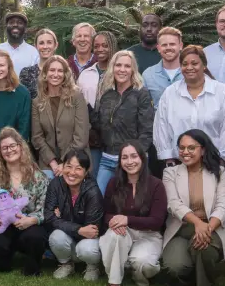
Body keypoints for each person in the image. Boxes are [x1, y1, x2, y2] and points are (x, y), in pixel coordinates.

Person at [152, 45, 225, 258]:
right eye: (185, 64)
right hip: (180, 161)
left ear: (204, 65)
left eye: (195, 63)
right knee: (179, 206)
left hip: (215, 162)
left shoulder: (221, 92)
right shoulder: (171, 93)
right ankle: (178, 247)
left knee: (223, 205)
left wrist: (220, 159)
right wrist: (169, 159)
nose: (189, 67)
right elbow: (162, 126)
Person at [162, 130, 225, 286]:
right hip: (181, 228)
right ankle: (191, 276)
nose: (185, 152)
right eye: (181, 148)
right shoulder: (170, 173)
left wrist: (206, 228)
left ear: (202, 150)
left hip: (212, 226)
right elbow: (174, 204)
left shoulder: (219, 172)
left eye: (191, 148)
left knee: (203, 247)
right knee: (174, 267)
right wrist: (197, 223)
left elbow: (224, 205)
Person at [0, 128, 50, 275]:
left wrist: (32, 220)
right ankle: (4, 261)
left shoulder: (38, 177)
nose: (9, 150)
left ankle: (32, 267)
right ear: (0, 152)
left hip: (28, 225)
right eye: (4, 148)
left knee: (35, 237)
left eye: (12, 146)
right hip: (3, 227)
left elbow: (45, 208)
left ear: (20, 146)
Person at [98, 142, 167, 286]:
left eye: (134, 156)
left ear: (142, 158)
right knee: (115, 236)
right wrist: (116, 221)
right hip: (123, 232)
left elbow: (157, 221)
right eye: (125, 157)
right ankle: (114, 281)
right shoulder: (113, 183)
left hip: (148, 234)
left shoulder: (156, 185)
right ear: (120, 161)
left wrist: (127, 220)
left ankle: (135, 270)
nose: (130, 162)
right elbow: (106, 214)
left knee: (145, 264)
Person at [91, 50, 154, 197]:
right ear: (112, 68)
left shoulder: (141, 94)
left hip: (133, 160)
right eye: (118, 65)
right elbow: (101, 125)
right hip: (108, 159)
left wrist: (135, 157)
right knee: (99, 197)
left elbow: (147, 130)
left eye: (127, 66)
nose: (122, 70)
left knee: (130, 201)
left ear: (133, 69)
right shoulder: (107, 95)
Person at [46, 149, 107, 280]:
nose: (72, 173)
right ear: (63, 167)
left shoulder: (93, 191)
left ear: (86, 172)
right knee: (56, 237)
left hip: (88, 241)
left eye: (78, 168)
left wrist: (60, 219)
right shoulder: (56, 184)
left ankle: (92, 266)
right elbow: (49, 216)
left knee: (87, 248)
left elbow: (92, 230)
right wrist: (79, 229)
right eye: (68, 166)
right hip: (72, 236)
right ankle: (66, 264)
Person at [30, 55, 89, 179]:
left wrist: (65, 163)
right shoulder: (37, 102)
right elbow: (37, 137)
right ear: (45, 74)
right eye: (52, 70)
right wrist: (53, 162)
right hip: (48, 163)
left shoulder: (76, 97)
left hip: (74, 159)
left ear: (65, 75)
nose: (55, 74)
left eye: (60, 71)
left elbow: (81, 136)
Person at [84, 31, 116, 177]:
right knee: (94, 178)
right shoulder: (86, 74)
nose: (100, 49)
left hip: (115, 138)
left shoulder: (120, 72)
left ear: (112, 46)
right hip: (93, 139)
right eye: (96, 46)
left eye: (105, 45)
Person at [140, 26, 184, 108]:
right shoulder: (148, 75)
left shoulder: (192, 72)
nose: (168, 48)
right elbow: (143, 107)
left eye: (172, 44)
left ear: (180, 46)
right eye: (164, 45)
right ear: (159, 48)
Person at [17, 27, 60, 98]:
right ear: (36, 46)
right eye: (41, 43)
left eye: (49, 42)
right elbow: (22, 100)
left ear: (55, 45)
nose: (45, 46)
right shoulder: (27, 73)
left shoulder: (64, 71)